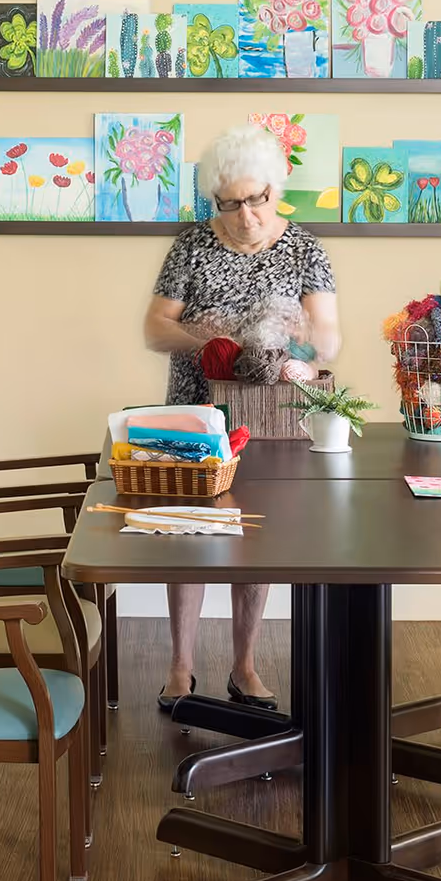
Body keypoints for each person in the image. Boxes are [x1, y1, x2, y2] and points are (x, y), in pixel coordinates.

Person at [142, 123, 341, 711]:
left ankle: (245, 664)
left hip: (269, 415)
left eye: (256, 199)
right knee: (190, 532)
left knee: (253, 536)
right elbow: (154, 328)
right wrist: (201, 335)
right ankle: (180, 666)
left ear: (275, 190)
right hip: (196, 405)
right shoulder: (191, 245)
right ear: (215, 201)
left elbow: (327, 339)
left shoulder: (304, 248)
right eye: (230, 204)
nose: (245, 215)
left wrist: (302, 350)